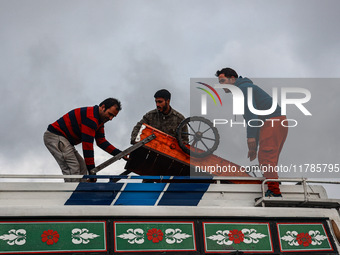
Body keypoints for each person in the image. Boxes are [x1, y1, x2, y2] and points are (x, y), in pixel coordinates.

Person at [216, 68, 288, 197]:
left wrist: (250, 138)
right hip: (276, 122)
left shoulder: (243, 89)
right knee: (269, 158)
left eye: (222, 81)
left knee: (266, 158)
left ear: (232, 79)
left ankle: (275, 192)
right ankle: (274, 184)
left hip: (273, 121)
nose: (221, 85)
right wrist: (253, 148)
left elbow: (252, 115)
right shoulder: (244, 88)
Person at [44, 98, 124, 182]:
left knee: (82, 167)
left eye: (113, 117)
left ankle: (82, 191)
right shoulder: (91, 118)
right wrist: (92, 172)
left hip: (66, 140)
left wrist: (119, 153)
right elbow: (87, 147)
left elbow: (101, 141)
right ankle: (72, 193)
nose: (110, 118)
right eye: (110, 114)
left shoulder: (99, 121)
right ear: (103, 107)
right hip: (55, 136)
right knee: (73, 167)